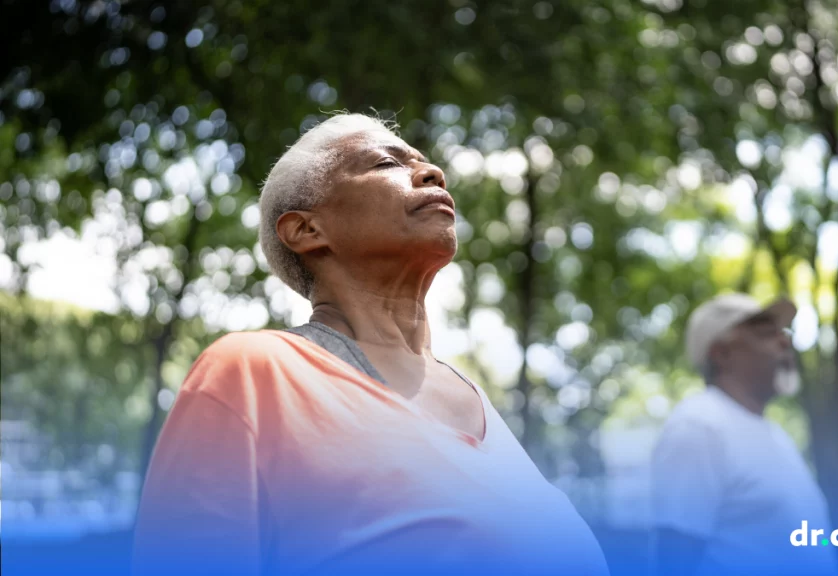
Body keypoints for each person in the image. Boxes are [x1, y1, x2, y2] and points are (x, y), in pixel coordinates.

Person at [131, 113, 608, 576]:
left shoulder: (475, 396)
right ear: (306, 230)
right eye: (386, 163)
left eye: (424, 161)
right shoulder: (252, 372)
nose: (432, 172)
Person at [650, 294, 837, 576]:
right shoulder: (699, 427)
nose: (785, 342)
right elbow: (674, 563)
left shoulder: (774, 434)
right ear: (721, 353)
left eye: (782, 333)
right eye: (765, 334)